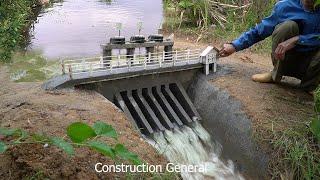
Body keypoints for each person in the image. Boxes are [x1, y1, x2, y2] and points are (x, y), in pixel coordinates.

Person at [219, 0, 320, 94]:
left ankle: (309, 88)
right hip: (286, 59)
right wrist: (234, 46)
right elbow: (260, 31)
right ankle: (275, 74)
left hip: (314, 66)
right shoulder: (286, 6)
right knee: (287, 27)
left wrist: (298, 40)